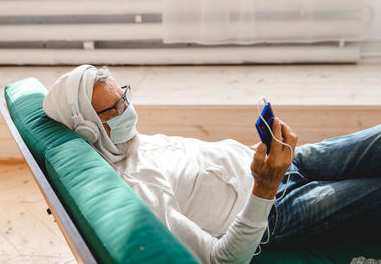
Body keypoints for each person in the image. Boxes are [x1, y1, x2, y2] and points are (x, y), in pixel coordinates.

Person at [43, 65, 381, 264]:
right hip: (277, 209)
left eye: (125, 98)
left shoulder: (129, 142)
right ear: (87, 129)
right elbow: (222, 259)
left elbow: (204, 170)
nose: (127, 111)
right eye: (113, 110)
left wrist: (254, 159)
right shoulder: (140, 189)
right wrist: (264, 187)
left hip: (277, 165)